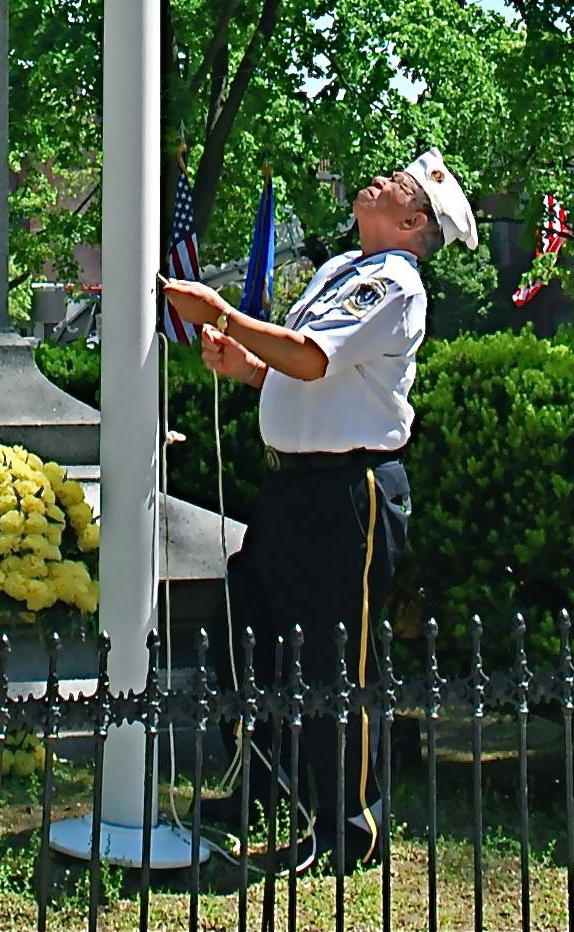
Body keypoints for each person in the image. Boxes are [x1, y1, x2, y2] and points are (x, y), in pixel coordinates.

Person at [161, 152, 478, 873]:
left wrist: (225, 316)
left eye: (398, 185)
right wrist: (240, 363)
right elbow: (292, 371)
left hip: (348, 491)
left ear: (411, 222)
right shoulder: (343, 269)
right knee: (255, 633)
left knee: (338, 655)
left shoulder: (392, 284)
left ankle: (350, 824)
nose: (381, 179)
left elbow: (311, 359)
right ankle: (264, 790)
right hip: (294, 488)